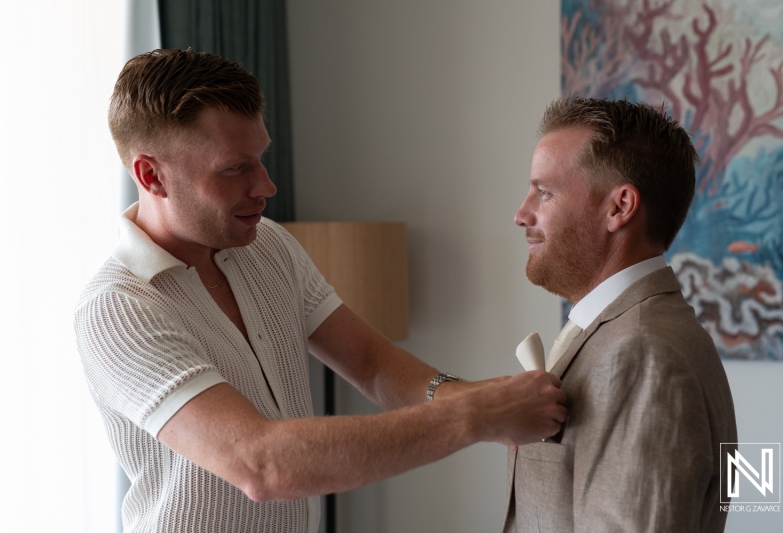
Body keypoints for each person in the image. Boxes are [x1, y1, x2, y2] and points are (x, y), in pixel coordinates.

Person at [74, 48, 567, 533]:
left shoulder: (268, 246)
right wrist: (477, 415)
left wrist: (495, 397)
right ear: (150, 175)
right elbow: (260, 464)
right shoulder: (117, 310)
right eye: (235, 169)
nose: (266, 186)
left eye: (260, 159)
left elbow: (373, 364)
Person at [504, 96, 737, 532]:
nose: (521, 214)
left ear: (619, 207)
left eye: (544, 192)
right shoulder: (622, 332)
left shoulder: (645, 356)